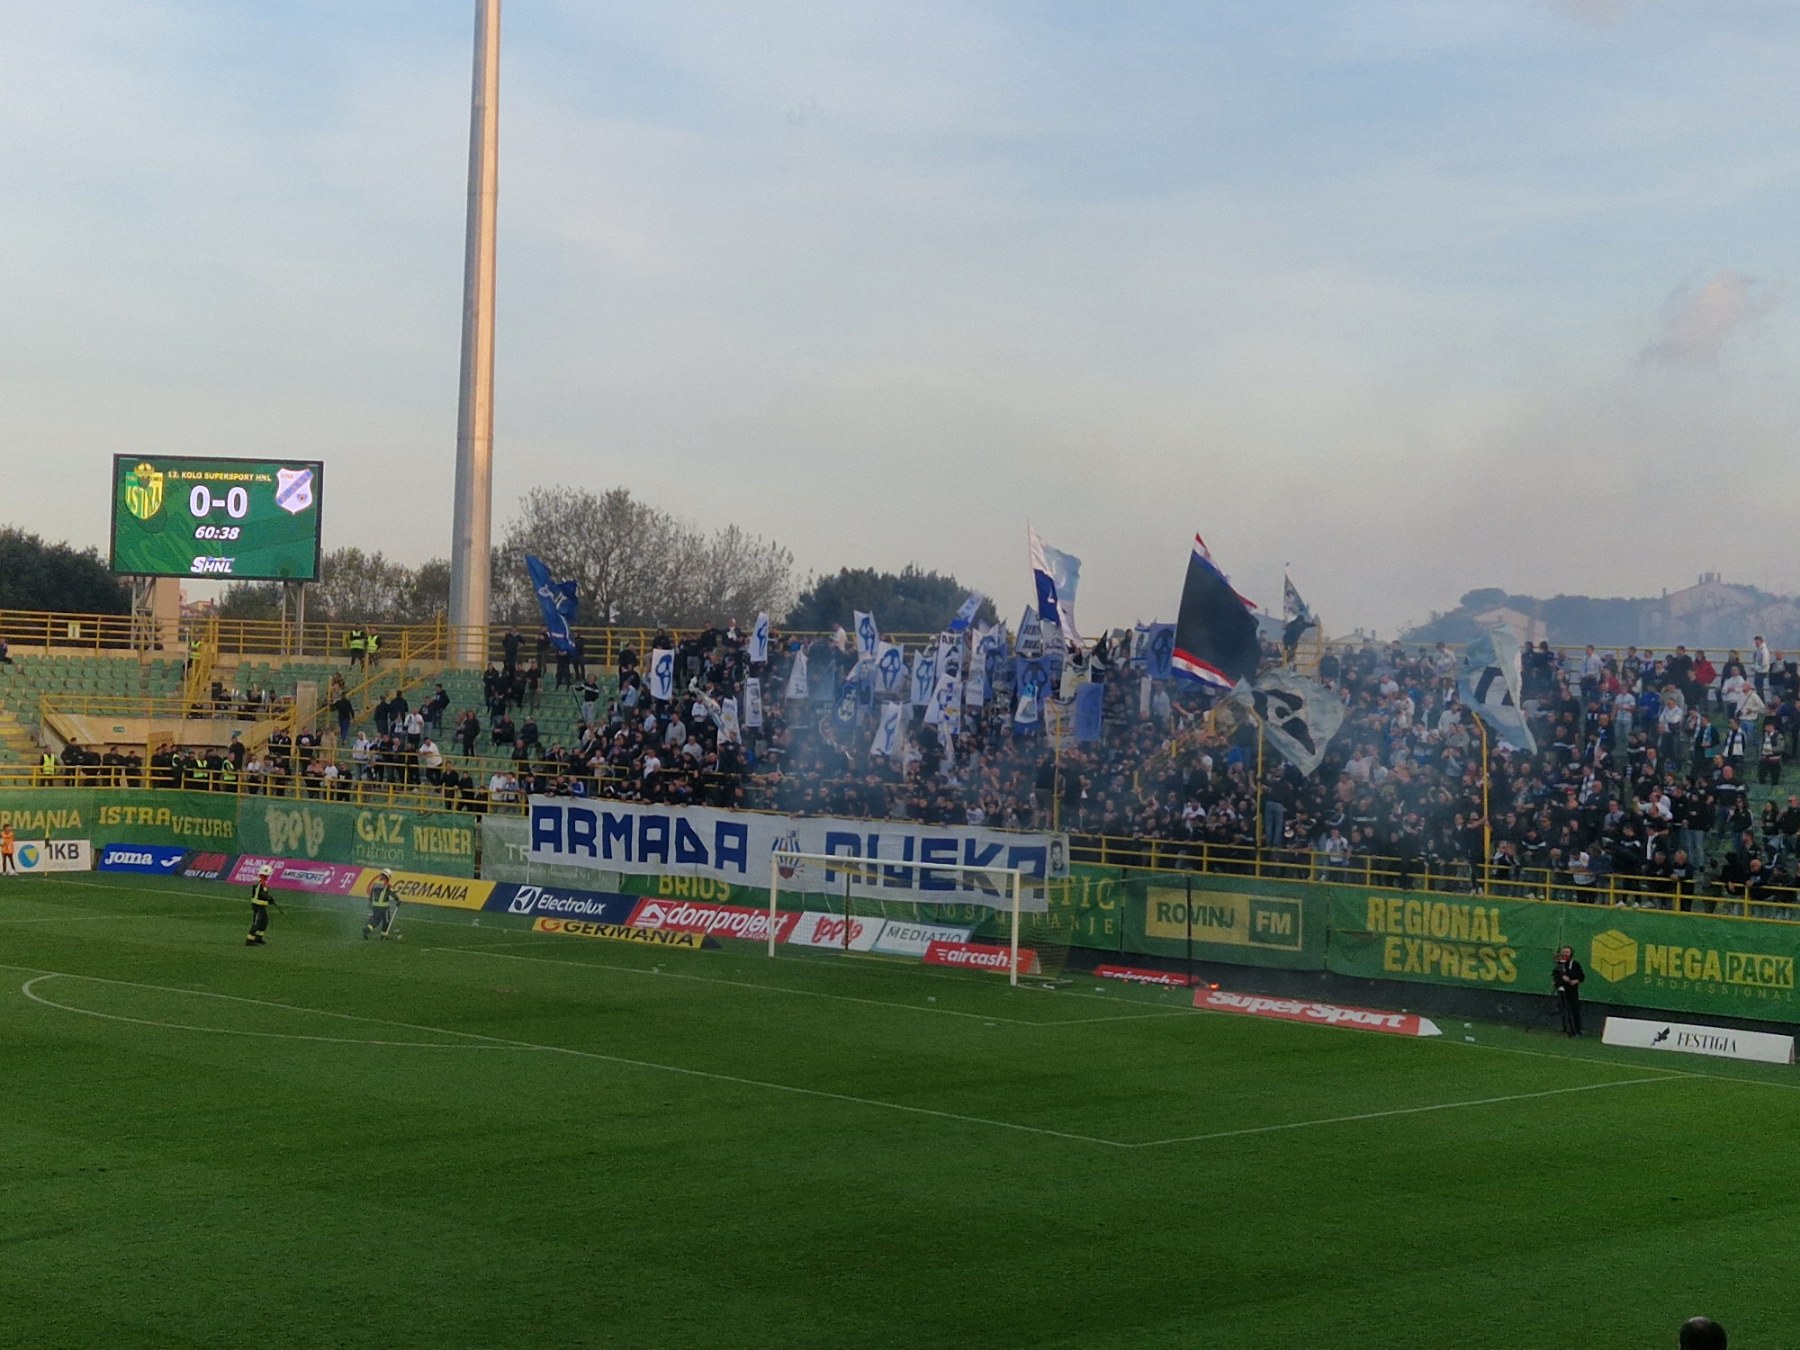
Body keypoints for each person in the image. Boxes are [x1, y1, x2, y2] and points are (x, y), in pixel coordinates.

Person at [1552, 944, 1585, 1037]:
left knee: (1574, 1009)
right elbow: (1555, 975)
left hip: (1572, 991)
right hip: (1562, 990)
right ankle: (1566, 1028)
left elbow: (1581, 976)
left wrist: (1574, 980)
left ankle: (1577, 1030)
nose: (1565, 954)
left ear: (1571, 953)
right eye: (1564, 952)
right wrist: (1557, 981)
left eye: (1567, 952)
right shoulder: (1559, 964)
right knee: (1563, 1009)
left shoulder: (1575, 964)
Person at [246, 864, 279, 947]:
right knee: (257, 923)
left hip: (260, 905)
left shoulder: (259, 881)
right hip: (258, 906)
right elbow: (262, 895)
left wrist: (268, 898)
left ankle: (258, 937)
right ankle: (249, 940)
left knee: (264, 922)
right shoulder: (262, 883)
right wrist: (268, 898)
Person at [363, 869, 400, 941]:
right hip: (384, 907)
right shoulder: (387, 885)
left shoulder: (375, 884)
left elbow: (371, 895)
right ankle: (383, 936)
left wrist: (370, 903)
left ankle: (368, 929)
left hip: (375, 906)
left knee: (376, 920)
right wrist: (397, 900)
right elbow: (392, 893)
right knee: (386, 921)